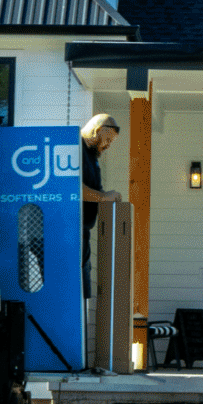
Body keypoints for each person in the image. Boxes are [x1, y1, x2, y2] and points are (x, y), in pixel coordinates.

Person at [79, 113, 123, 298]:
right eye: (108, 141)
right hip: (71, 232)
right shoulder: (76, 147)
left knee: (83, 287)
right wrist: (104, 197)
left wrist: (107, 199)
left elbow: (96, 191)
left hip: (84, 232)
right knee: (75, 285)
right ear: (97, 131)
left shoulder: (93, 157)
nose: (108, 146)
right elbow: (73, 187)